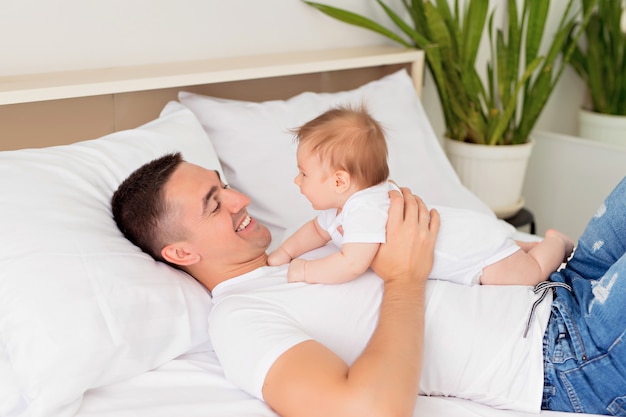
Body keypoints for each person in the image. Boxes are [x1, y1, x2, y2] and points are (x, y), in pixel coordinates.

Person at [111, 152, 626, 417]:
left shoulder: (300, 247)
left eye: (224, 185)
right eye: (214, 203)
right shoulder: (239, 318)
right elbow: (366, 411)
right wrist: (405, 276)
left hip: (561, 282)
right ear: (181, 253)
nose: (240, 199)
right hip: (567, 357)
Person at [268, 105, 574, 286]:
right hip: (462, 232)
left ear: (339, 181)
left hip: (470, 252)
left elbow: (351, 263)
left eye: (304, 173)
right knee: (507, 246)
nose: (297, 180)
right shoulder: (341, 207)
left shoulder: (365, 208)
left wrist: (306, 270)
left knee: (525, 275)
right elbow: (315, 232)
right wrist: (286, 252)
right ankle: (520, 245)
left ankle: (554, 243)